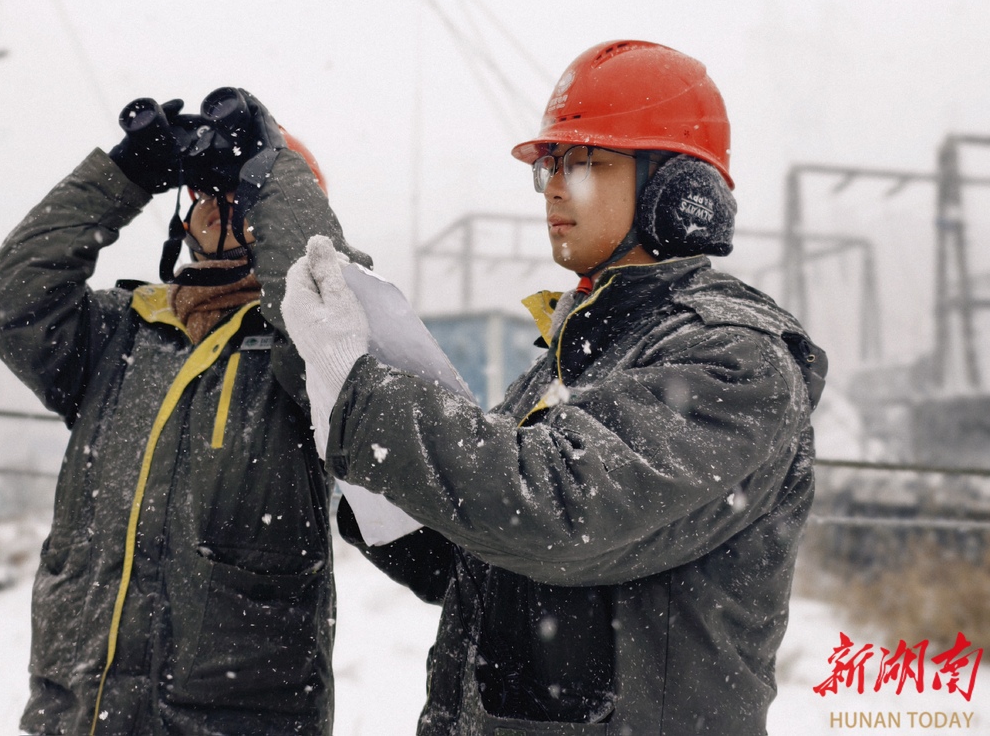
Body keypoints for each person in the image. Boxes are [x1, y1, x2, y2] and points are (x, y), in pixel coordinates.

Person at [281, 41, 827, 735]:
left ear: (680, 193)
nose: (557, 189)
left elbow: (554, 509)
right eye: (549, 168)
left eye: (586, 163)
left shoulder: (734, 361)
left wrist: (372, 404)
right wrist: (353, 424)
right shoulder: (570, 358)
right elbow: (468, 562)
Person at [0, 88, 368, 735]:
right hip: (80, 713)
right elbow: (4, 300)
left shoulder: (308, 347)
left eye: (235, 192)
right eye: (203, 192)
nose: (214, 204)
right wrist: (125, 174)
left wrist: (273, 170)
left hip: (233, 721)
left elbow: (328, 316)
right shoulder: (118, 336)